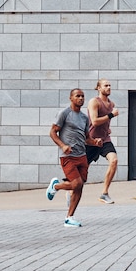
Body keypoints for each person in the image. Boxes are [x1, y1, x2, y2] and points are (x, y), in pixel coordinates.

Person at [46, 88, 103, 227]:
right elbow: (52, 132)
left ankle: (69, 218)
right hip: (68, 156)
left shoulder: (84, 117)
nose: (81, 98)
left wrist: (95, 142)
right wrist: (63, 145)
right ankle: (56, 186)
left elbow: (86, 138)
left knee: (79, 186)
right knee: (76, 183)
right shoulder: (64, 113)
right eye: (78, 96)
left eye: (83, 96)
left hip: (81, 155)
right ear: (71, 98)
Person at [86, 78, 119, 204]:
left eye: (110, 85)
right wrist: (111, 115)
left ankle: (104, 193)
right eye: (106, 85)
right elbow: (94, 121)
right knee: (83, 172)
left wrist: (108, 129)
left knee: (114, 160)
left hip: (105, 139)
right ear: (99, 88)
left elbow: (104, 122)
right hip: (91, 140)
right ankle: (70, 190)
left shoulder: (111, 104)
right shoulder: (94, 102)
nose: (108, 87)